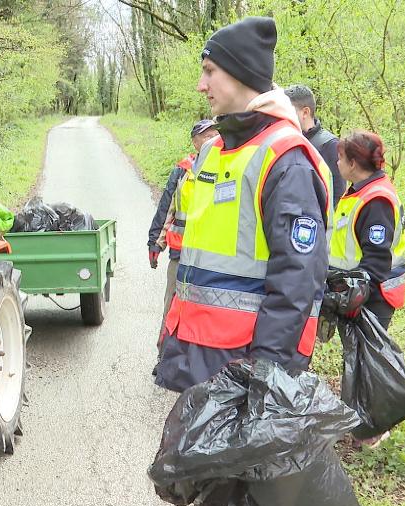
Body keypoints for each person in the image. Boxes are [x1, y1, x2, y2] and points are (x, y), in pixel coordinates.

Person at [154, 17, 334, 393]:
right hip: (198, 356)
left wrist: (264, 377)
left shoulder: (287, 159)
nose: (201, 85)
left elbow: (297, 282)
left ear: (240, 73)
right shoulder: (212, 152)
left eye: (209, 71)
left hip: (245, 369)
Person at [329, 131, 405, 329]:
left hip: (373, 298)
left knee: (369, 359)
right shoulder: (359, 190)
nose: (337, 163)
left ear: (353, 163)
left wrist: (350, 299)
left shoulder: (376, 201)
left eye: (340, 158)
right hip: (356, 293)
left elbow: (376, 263)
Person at [148, 119, 219, 326]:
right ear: (195, 143)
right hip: (180, 253)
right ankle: (164, 353)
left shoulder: (228, 167)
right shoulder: (182, 171)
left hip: (213, 256)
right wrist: (155, 243)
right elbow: (166, 208)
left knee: (205, 311)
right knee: (172, 304)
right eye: (207, 136)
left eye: (216, 135)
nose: (213, 140)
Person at [285, 84, 347, 199]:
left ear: (305, 112)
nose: (285, 116)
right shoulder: (286, 142)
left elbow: (338, 194)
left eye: (289, 111)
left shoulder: (329, 145)